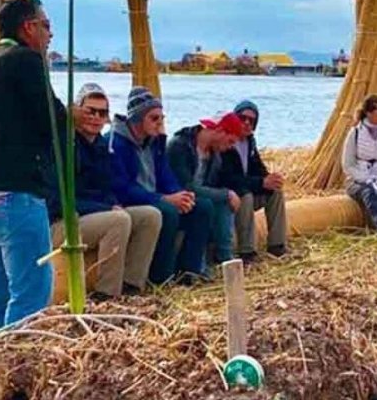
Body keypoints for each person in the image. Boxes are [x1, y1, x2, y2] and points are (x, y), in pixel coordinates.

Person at [0, 0, 66, 331]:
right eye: (46, 26)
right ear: (29, 27)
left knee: (0, 291)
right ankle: (14, 366)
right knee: (31, 293)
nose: (50, 35)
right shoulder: (25, 60)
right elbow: (52, 120)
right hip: (17, 192)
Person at [52, 84, 164, 299]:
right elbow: (61, 198)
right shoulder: (65, 146)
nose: (96, 117)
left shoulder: (102, 146)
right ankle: (107, 293)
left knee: (150, 215)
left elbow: (107, 187)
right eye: (90, 111)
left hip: (95, 214)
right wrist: (107, 207)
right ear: (77, 112)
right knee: (118, 220)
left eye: (102, 113)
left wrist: (112, 203)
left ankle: (132, 285)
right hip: (63, 221)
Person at [109, 88, 211, 284]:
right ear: (138, 119)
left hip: (153, 197)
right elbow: (122, 187)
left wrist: (180, 195)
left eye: (161, 118)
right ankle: (161, 277)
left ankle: (189, 272)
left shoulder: (154, 142)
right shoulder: (117, 143)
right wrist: (163, 199)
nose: (160, 124)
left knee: (202, 207)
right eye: (154, 118)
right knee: (168, 211)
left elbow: (165, 175)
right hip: (131, 201)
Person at [167, 112, 246, 267]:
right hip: (177, 197)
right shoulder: (180, 145)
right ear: (219, 131)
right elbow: (186, 186)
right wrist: (226, 193)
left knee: (223, 204)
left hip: (198, 198)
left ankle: (225, 258)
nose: (229, 147)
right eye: (230, 141)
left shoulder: (214, 155)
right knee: (210, 204)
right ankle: (196, 266)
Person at [219, 100, 288, 263]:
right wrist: (260, 183)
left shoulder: (249, 142)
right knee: (246, 195)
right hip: (231, 197)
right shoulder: (226, 142)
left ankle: (277, 245)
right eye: (243, 118)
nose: (247, 123)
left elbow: (258, 169)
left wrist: (270, 180)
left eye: (251, 121)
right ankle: (247, 251)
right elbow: (228, 179)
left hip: (247, 189)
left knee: (276, 193)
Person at [342, 94, 377, 233]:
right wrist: (366, 179)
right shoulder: (355, 133)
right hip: (356, 181)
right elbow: (347, 164)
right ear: (369, 112)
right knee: (370, 190)